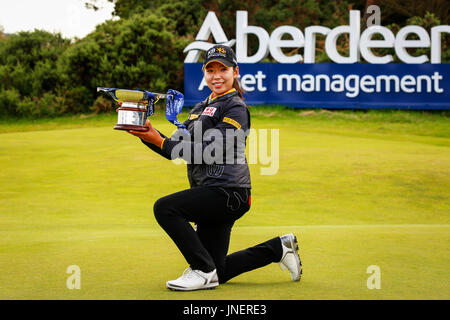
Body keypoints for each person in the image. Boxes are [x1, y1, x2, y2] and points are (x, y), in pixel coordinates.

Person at [127, 44, 302, 291]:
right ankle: (278, 248)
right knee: (218, 269)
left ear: (235, 71)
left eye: (223, 69)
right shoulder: (199, 108)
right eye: (211, 70)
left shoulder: (235, 107)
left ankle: (201, 270)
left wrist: (160, 140)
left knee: (165, 208)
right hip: (211, 192)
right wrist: (148, 135)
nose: (216, 75)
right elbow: (177, 149)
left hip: (229, 192)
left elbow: (211, 151)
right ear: (204, 73)